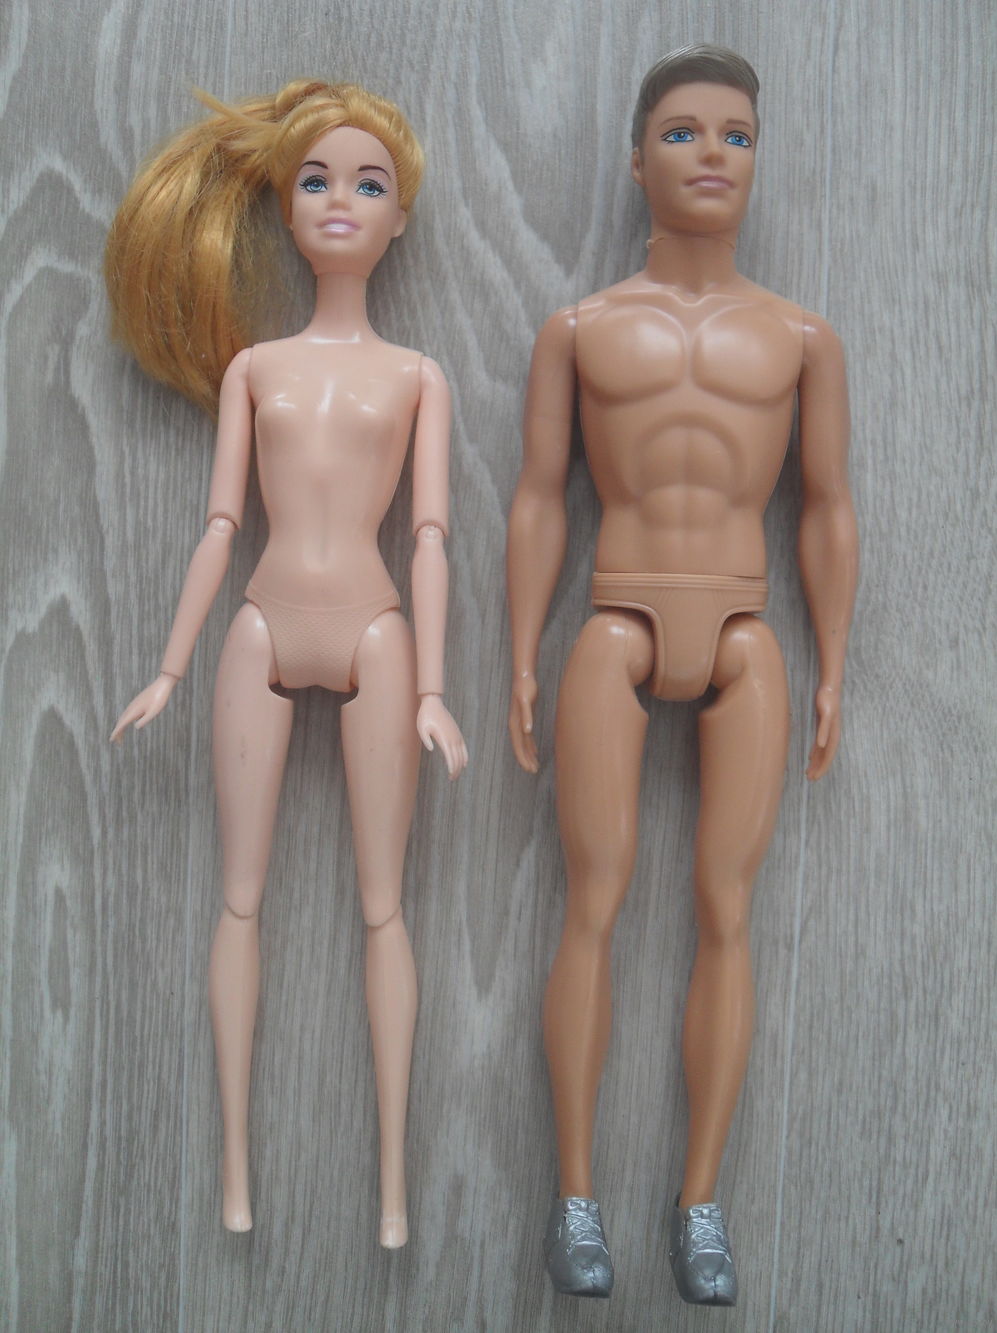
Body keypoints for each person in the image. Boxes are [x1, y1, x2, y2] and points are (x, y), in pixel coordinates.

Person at [507, 45, 857, 1305]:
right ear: (634, 159)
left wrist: (833, 660)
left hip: (747, 633)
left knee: (724, 907)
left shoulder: (801, 336)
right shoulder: (580, 328)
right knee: (592, 901)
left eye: (735, 135)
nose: (711, 153)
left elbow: (826, 506)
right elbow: (537, 497)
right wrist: (518, 653)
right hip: (616, 621)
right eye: (681, 131)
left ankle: (698, 1202)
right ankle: (575, 1198)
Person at [108, 81, 468, 1248]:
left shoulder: (417, 375)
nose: (339, 201)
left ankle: (393, 1183)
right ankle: (234, 1167)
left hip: (374, 628)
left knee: (382, 905)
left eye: (368, 184)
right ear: (284, 205)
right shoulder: (255, 368)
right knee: (239, 895)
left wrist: (432, 691)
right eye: (315, 180)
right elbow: (220, 526)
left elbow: (429, 537)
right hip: (261, 623)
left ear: (399, 218)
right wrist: (169, 667)